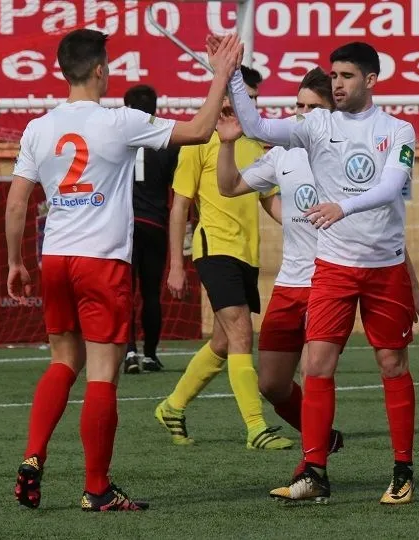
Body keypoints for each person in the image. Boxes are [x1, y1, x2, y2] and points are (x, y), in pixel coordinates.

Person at [5, 29, 243, 511]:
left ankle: (33, 458)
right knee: (101, 376)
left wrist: (15, 261)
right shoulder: (119, 121)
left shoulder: (38, 128)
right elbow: (199, 130)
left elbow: (15, 204)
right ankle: (96, 488)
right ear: (98, 69)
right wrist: (220, 75)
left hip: (56, 259)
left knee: (61, 361)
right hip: (102, 262)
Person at [217, 36, 419, 504]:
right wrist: (232, 71)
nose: (336, 83)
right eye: (333, 75)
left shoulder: (399, 130)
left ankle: (402, 469)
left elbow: (392, 185)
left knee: (392, 363)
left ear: (370, 80)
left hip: (385, 267)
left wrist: (344, 206)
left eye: (346, 76)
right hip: (332, 267)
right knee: (316, 364)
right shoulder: (315, 125)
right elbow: (253, 124)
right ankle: (314, 471)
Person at [153, 66, 293, 451]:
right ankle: (256, 427)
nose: (254, 104)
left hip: (246, 254)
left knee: (221, 341)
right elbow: (180, 205)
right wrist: (177, 264)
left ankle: (172, 406)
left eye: (256, 97)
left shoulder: (254, 141)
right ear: (227, 96)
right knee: (242, 335)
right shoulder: (200, 139)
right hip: (215, 247)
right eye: (247, 96)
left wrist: (303, 222)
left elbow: (269, 200)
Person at [122, 84, 180, 374]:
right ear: (155, 110)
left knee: (124, 291)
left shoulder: (118, 136)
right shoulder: (168, 142)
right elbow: (177, 187)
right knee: (151, 293)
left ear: (125, 107)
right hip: (155, 223)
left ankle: (129, 351)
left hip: (124, 225)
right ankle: (151, 355)